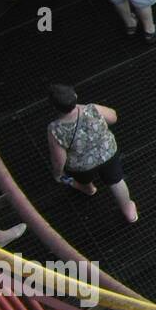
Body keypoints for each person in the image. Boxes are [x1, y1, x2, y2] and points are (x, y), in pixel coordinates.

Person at [44, 84, 138, 224]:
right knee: (116, 181)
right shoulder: (92, 109)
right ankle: (128, 211)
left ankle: (88, 188)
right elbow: (113, 117)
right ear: (75, 96)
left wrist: (58, 174)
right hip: (107, 153)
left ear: (54, 107)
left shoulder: (55, 129)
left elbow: (59, 159)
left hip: (82, 165)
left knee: (83, 179)